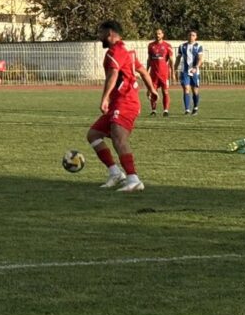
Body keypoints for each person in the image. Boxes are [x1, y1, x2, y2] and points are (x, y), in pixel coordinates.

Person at [87, 20, 158, 192]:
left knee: (119, 138)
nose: (99, 36)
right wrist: (152, 90)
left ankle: (133, 179)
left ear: (110, 33)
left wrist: (104, 98)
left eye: (101, 33)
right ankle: (115, 172)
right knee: (94, 134)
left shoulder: (115, 51)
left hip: (126, 102)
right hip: (120, 102)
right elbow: (142, 71)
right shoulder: (128, 51)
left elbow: (113, 74)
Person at [174, 29, 203, 115]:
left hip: (195, 72)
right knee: (186, 89)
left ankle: (195, 107)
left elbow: (200, 59)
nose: (191, 37)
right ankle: (187, 109)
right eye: (190, 35)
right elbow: (178, 59)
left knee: (195, 90)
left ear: (196, 37)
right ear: (187, 36)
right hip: (184, 71)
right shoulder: (182, 46)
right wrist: (174, 70)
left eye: (193, 35)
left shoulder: (199, 46)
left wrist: (196, 67)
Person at [146, 28, 174, 117]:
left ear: (162, 35)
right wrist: (146, 71)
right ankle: (153, 110)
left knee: (165, 91)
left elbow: (171, 60)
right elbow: (149, 59)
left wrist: (173, 72)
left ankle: (165, 110)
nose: (157, 35)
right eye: (156, 33)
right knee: (153, 92)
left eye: (159, 33)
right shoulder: (151, 45)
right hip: (153, 74)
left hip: (164, 74)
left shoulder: (167, 46)